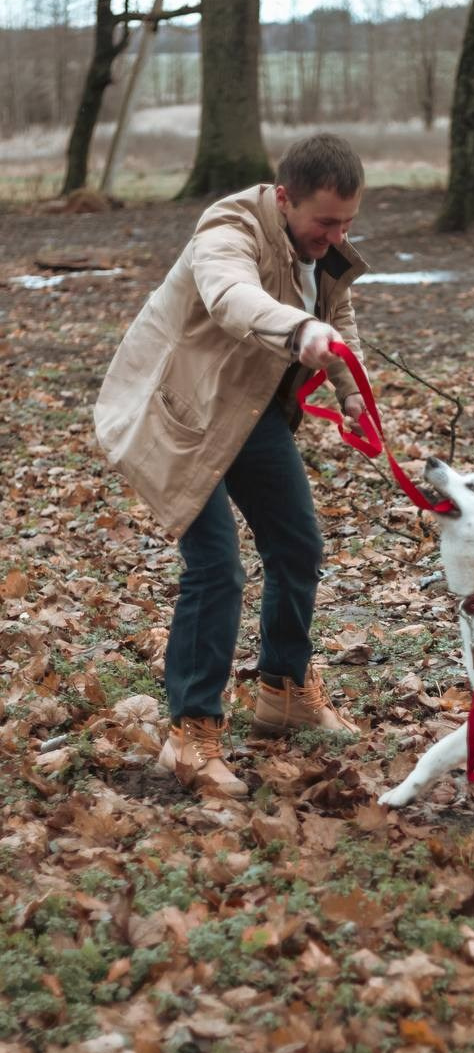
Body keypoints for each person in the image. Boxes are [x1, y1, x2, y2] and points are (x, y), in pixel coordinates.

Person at [94, 133, 368, 798]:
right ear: (285, 199)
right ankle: (189, 733)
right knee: (216, 567)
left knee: (297, 546)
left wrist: (351, 387)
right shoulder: (228, 228)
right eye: (325, 222)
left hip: (249, 412)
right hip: (179, 415)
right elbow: (228, 293)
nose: (336, 237)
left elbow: (336, 311)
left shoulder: (319, 248)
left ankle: (283, 690)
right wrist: (297, 331)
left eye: (346, 224)